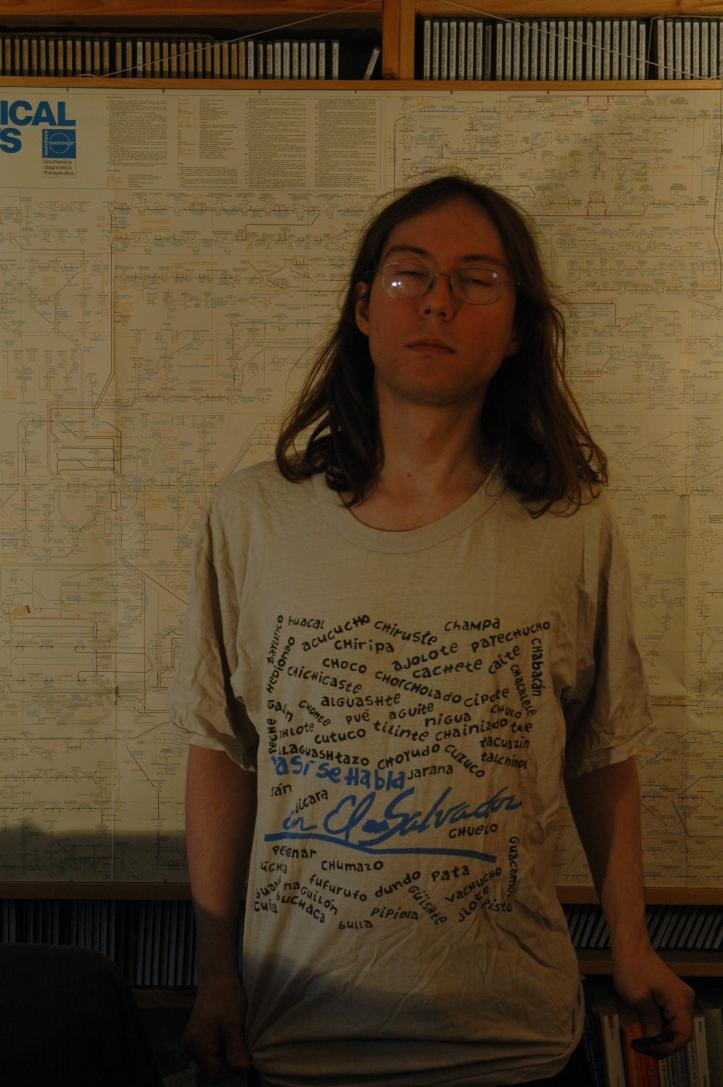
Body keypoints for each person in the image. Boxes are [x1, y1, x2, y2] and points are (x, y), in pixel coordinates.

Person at [170, 174, 694, 1086]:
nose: (437, 301)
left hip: (515, 1042)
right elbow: (220, 747)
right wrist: (215, 973)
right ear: (363, 307)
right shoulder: (250, 516)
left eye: (476, 279)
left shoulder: (570, 523)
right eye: (408, 273)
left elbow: (602, 750)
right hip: (297, 1038)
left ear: (517, 326)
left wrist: (633, 944)